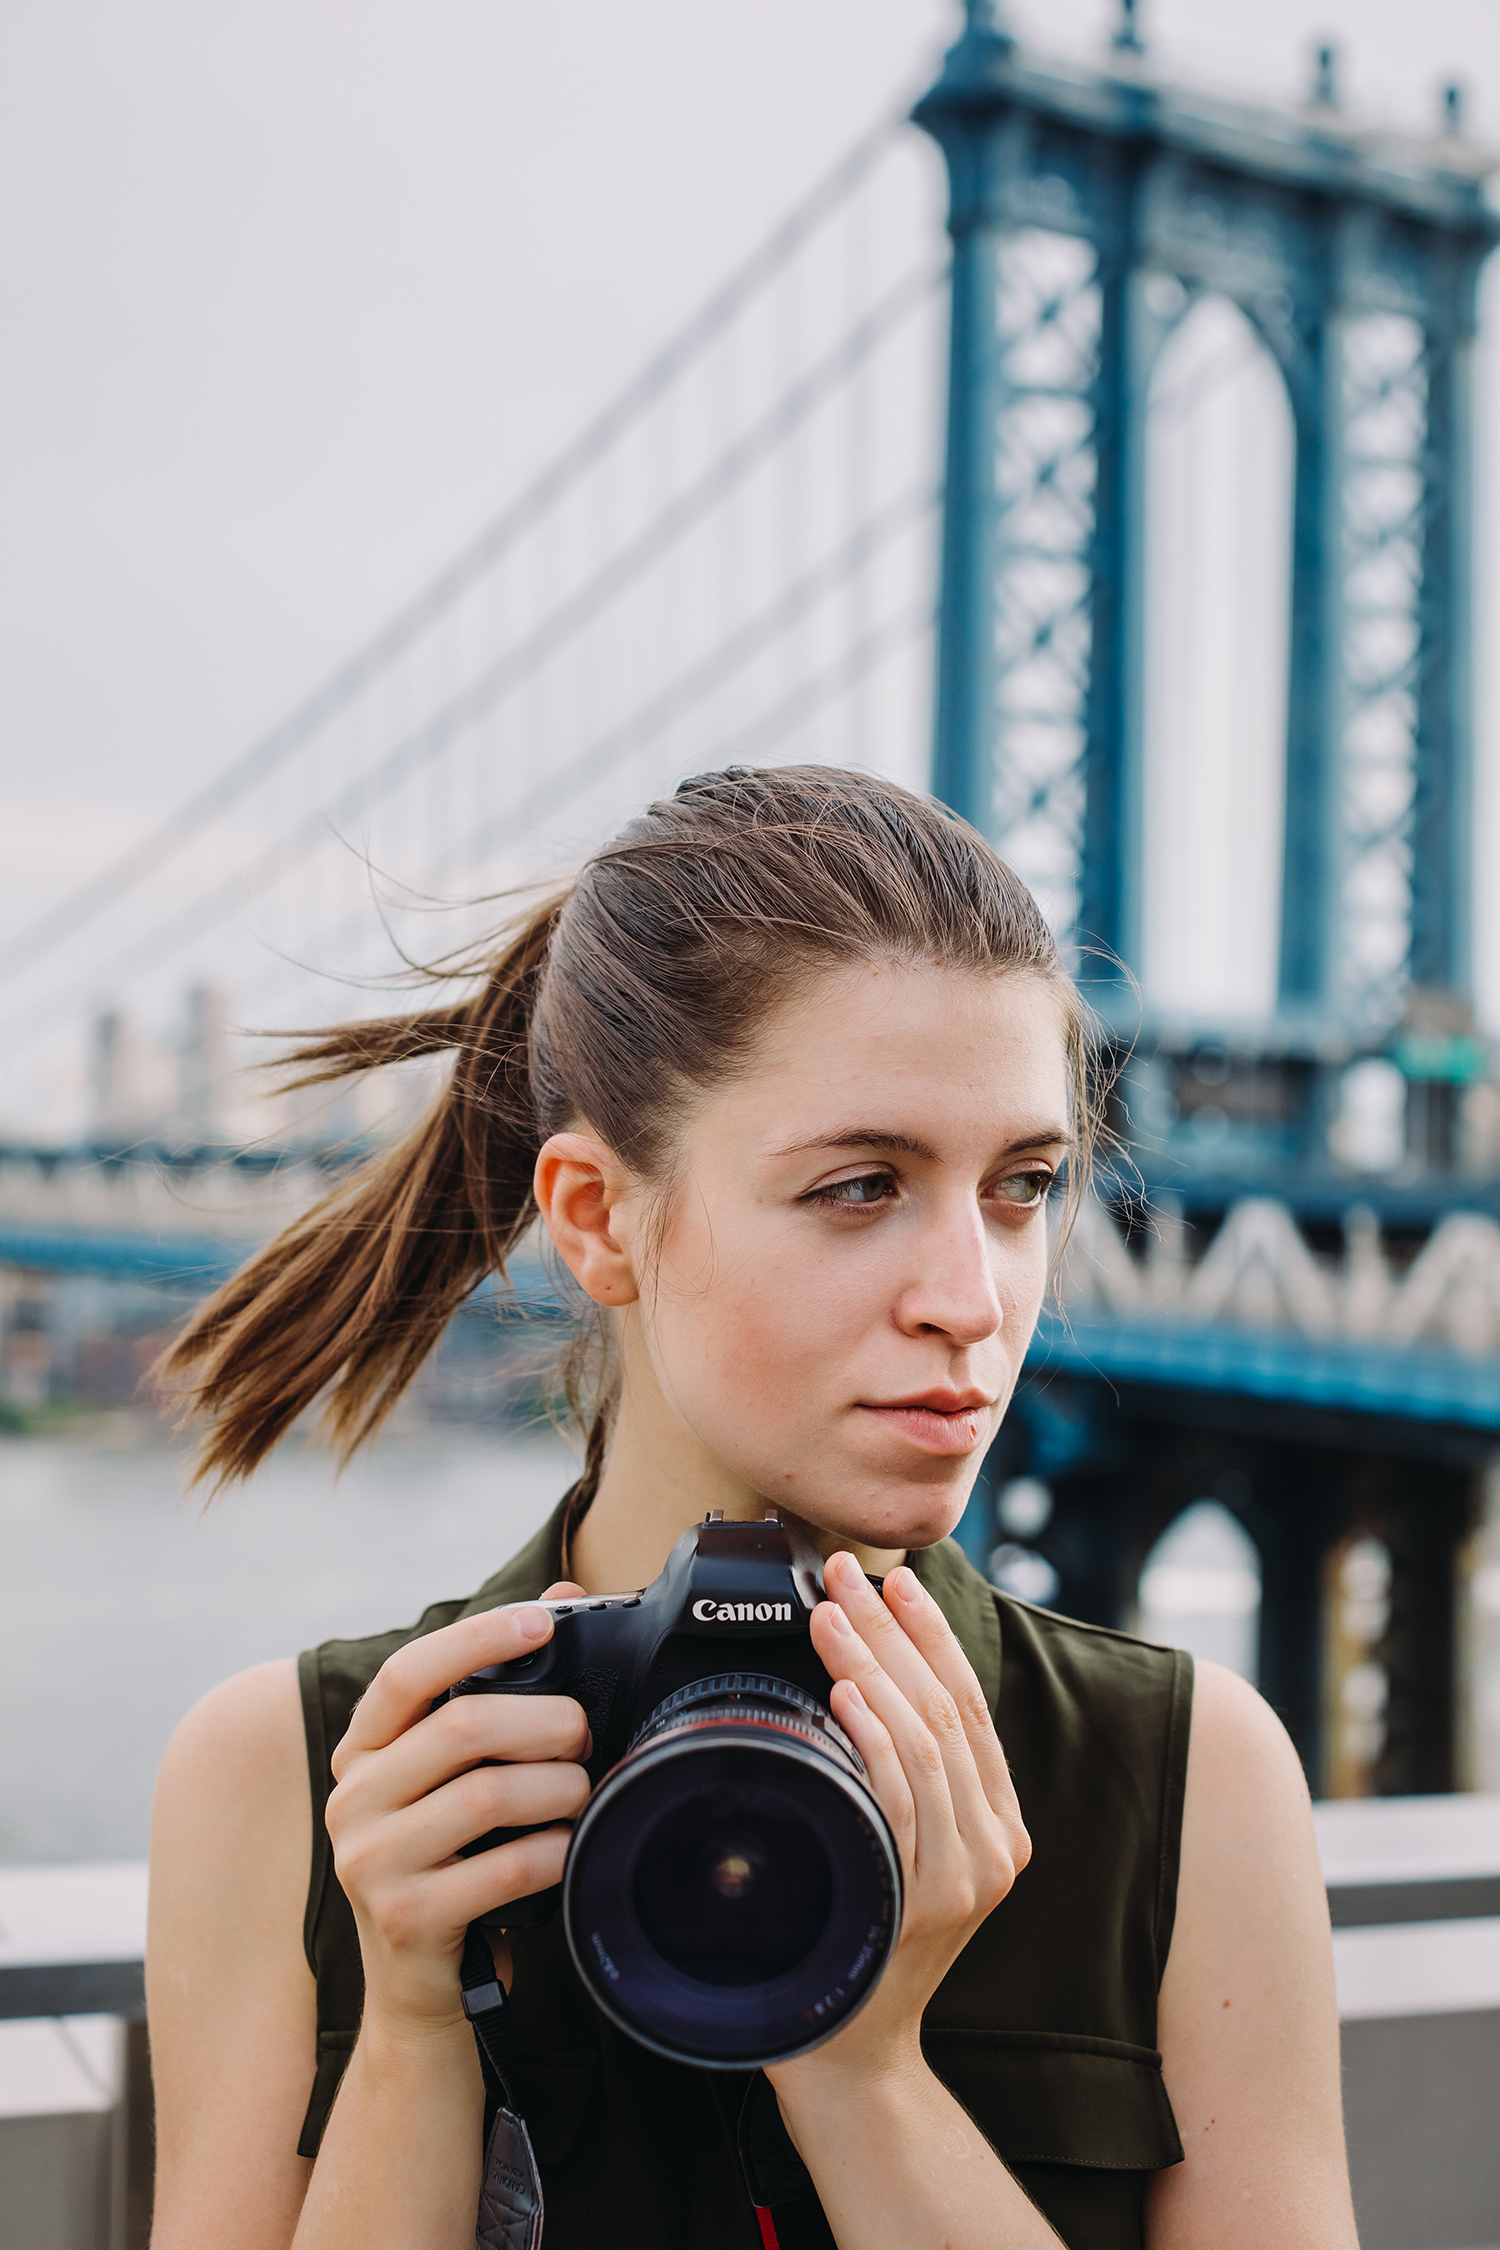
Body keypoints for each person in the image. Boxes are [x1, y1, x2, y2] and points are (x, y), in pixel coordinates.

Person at [145, 766, 1357, 2250]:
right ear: (597, 1216)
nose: (972, 1302)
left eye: (1024, 1186)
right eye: (860, 1185)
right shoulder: (301, 1778)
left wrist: (861, 2067)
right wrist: (413, 2024)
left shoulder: (1183, 1777)